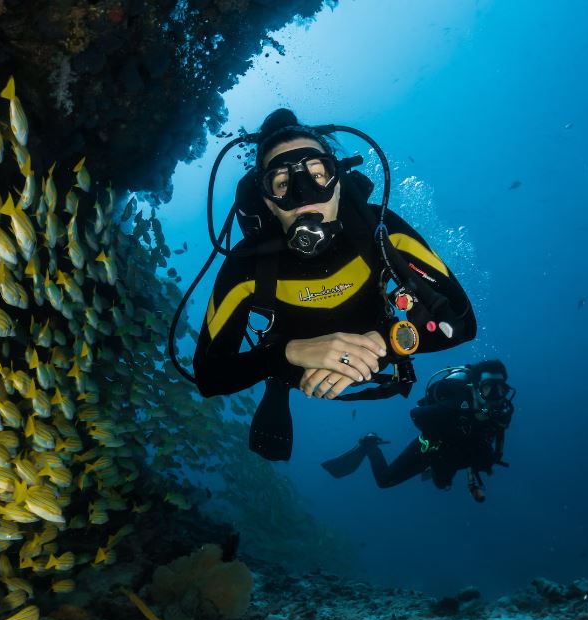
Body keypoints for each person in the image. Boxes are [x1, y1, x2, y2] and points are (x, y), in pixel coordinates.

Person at [191, 108, 477, 459]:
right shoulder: (246, 266)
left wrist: (387, 342)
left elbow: (462, 322)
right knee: (277, 373)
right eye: (282, 183)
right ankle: (277, 384)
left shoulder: (382, 231)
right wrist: (286, 355)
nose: (303, 194)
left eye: (317, 174)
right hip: (292, 367)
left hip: (381, 345)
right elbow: (209, 375)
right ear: (267, 201)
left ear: (338, 181)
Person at [322, 360, 515, 502]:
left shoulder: (500, 414)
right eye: (489, 388)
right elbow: (416, 414)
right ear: (474, 388)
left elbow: (493, 441)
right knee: (385, 480)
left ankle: (444, 471)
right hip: (432, 450)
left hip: (460, 453)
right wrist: (435, 439)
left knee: (442, 485)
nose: (496, 397)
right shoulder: (455, 404)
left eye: (501, 389)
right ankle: (369, 443)